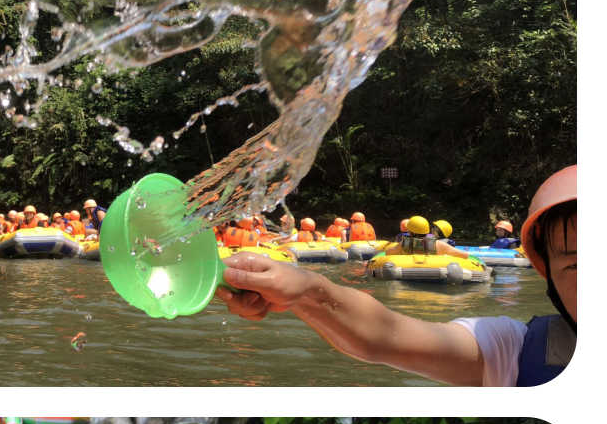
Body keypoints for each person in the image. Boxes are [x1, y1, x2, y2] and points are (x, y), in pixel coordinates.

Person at [219, 165, 575, 386]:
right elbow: (383, 336)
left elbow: (386, 255)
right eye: (575, 264)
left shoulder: (402, 248)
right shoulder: (513, 350)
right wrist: (305, 290)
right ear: (549, 275)